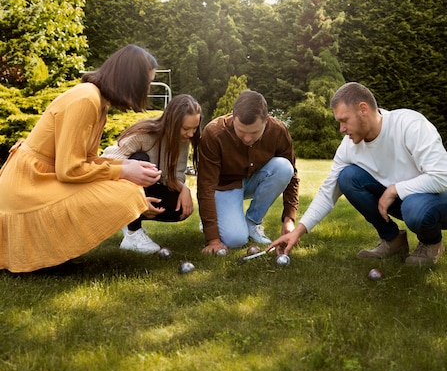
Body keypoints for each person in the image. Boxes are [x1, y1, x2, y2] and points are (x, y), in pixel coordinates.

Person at [0, 44, 165, 273]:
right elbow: (69, 170)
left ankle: (54, 255)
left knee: (128, 189)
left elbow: (87, 159)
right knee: (126, 191)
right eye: (145, 83)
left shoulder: (98, 102)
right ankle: (46, 257)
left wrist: (126, 165)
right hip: (29, 185)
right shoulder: (86, 99)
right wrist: (123, 172)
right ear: (130, 80)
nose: (147, 91)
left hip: (43, 179)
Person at [268, 82, 447, 266]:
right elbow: (328, 192)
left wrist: (395, 189)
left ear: (363, 109)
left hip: (438, 197)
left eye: (344, 120)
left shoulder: (410, 125)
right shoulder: (349, 147)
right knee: (347, 177)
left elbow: (442, 177)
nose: (341, 129)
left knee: (414, 207)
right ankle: (393, 241)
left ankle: (431, 244)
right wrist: (297, 232)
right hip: (403, 201)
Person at [197, 89, 299, 254]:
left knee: (284, 167)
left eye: (254, 132)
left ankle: (252, 222)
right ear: (233, 116)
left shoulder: (278, 131)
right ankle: (214, 218)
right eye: (241, 131)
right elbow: (205, 186)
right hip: (225, 186)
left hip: (255, 179)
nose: (247, 138)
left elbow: (292, 177)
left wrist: (289, 218)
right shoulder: (214, 133)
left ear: (266, 120)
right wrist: (213, 238)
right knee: (236, 240)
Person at [102, 94, 201, 253]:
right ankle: (132, 233)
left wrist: (184, 189)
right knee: (140, 160)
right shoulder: (145, 134)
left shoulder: (183, 141)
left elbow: (173, 176)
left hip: (149, 187)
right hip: (120, 190)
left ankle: (130, 220)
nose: (191, 134)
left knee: (178, 207)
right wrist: (135, 198)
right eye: (186, 128)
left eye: (194, 128)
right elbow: (108, 159)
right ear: (172, 123)